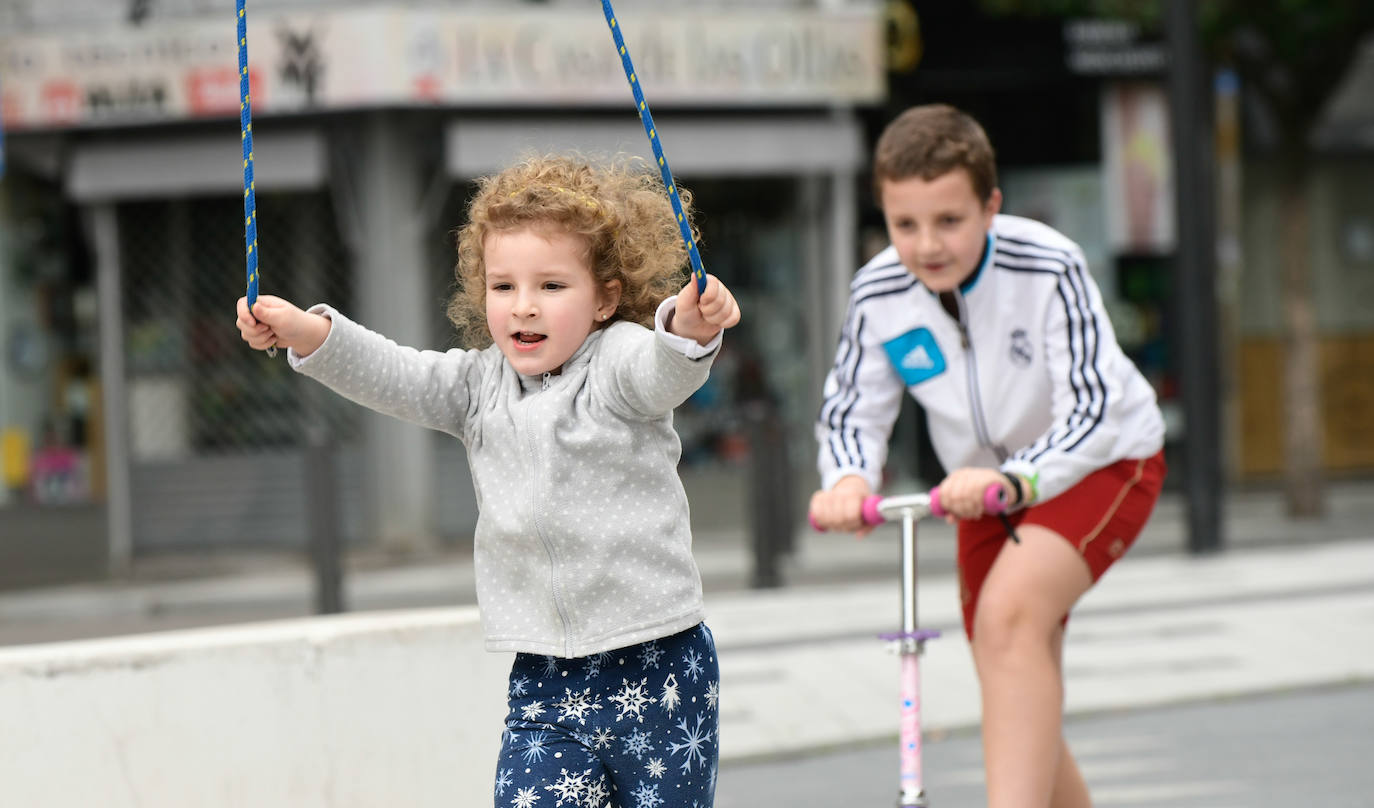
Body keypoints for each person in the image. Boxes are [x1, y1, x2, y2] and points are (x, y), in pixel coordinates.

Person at [236, 153, 740, 808]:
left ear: (605, 299)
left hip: (661, 664)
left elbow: (663, 371)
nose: (523, 308)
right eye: (503, 287)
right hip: (547, 677)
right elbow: (398, 374)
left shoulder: (616, 366)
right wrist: (308, 331)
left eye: (552, 287)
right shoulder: (478, 387)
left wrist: (688, 328)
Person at [809, 104, 1166, 808]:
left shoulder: (1048, 264)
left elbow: (1091, 407)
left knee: (1006, 619)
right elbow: (854, 406)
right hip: (978, 487)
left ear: (991, 206)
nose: (926, 245)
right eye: (904, 224)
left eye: (949, 220)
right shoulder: (879, 290)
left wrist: (1016, 477)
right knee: (1011, 672)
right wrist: (847, 478)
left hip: (1100, 463)